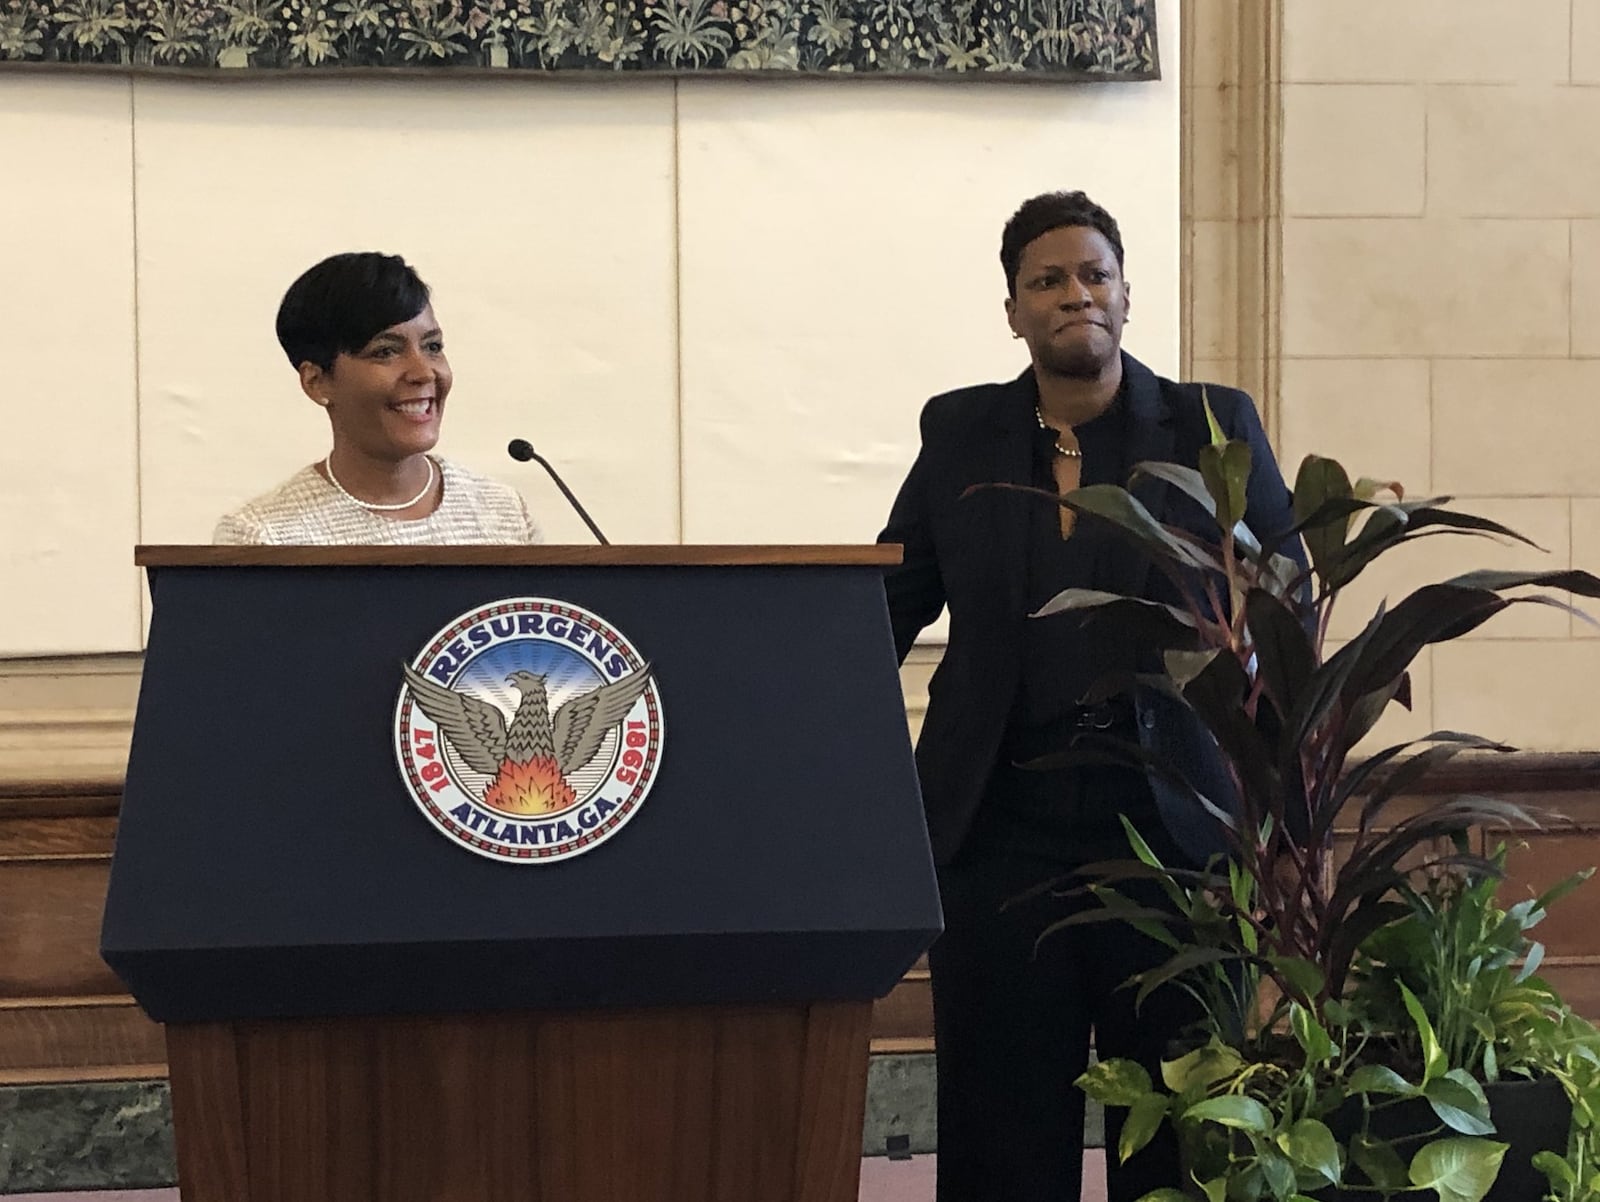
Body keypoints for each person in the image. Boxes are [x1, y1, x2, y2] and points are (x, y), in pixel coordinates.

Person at [876, 191, 1303, 1202]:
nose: (1076, 294)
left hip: (1168, 831)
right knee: (1000, 1124)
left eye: (1094, 274)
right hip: (997, 833)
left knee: (1176, 1124)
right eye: (1048, 280)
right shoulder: (962, 430)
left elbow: (1288, 603)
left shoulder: (1209, 423)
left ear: (1124, 291)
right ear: (1014, 309)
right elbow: (887, 601)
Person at [214, 252, 541, 545]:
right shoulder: (262, 536)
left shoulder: (505, 514)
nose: (424, 373)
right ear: (317, 382)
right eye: (386, 352)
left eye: (433, 347)